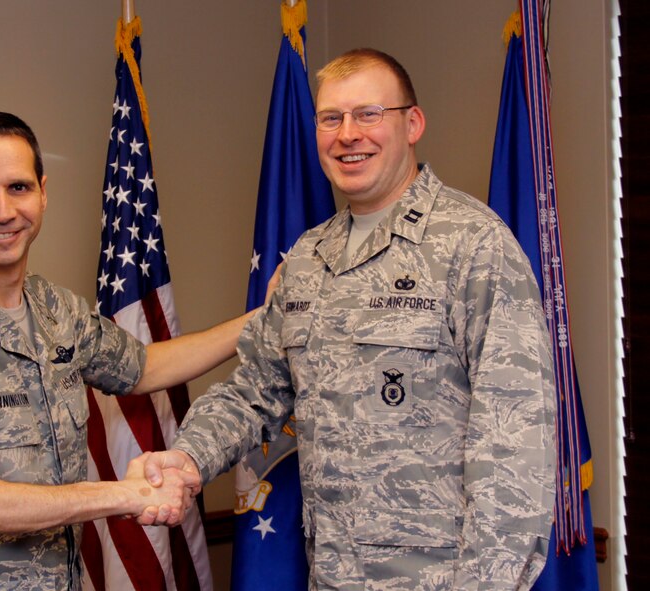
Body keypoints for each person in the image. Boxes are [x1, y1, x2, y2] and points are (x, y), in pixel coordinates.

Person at [139, 48, 557, 590]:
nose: (348, 134)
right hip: (332, 575)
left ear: (412, 124)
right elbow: (256, 391)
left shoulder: (473, 245)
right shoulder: (308, 260)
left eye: (368, 114)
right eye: (330, 118)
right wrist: (189, 458)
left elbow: (515, 442)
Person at [0, 110, 251, 590]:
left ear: (43, 192)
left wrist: (263, 321)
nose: (3, 211)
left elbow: (144, 366)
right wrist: (125, 495)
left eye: (19, 187)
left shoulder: (56, 310)